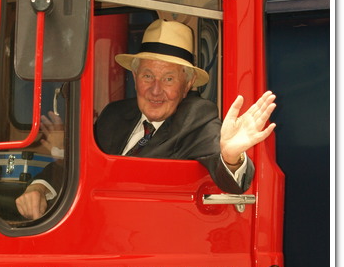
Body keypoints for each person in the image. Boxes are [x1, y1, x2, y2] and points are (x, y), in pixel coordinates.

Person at [16, 19, 276, 220]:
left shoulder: (197, 120)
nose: (155, 90)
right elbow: (81, 167)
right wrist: (39, 188)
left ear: (188, 85)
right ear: (135, 77)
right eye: (148, 76)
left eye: (169, 79)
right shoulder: (114, 115)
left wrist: (231, 156)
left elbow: (234, 181)